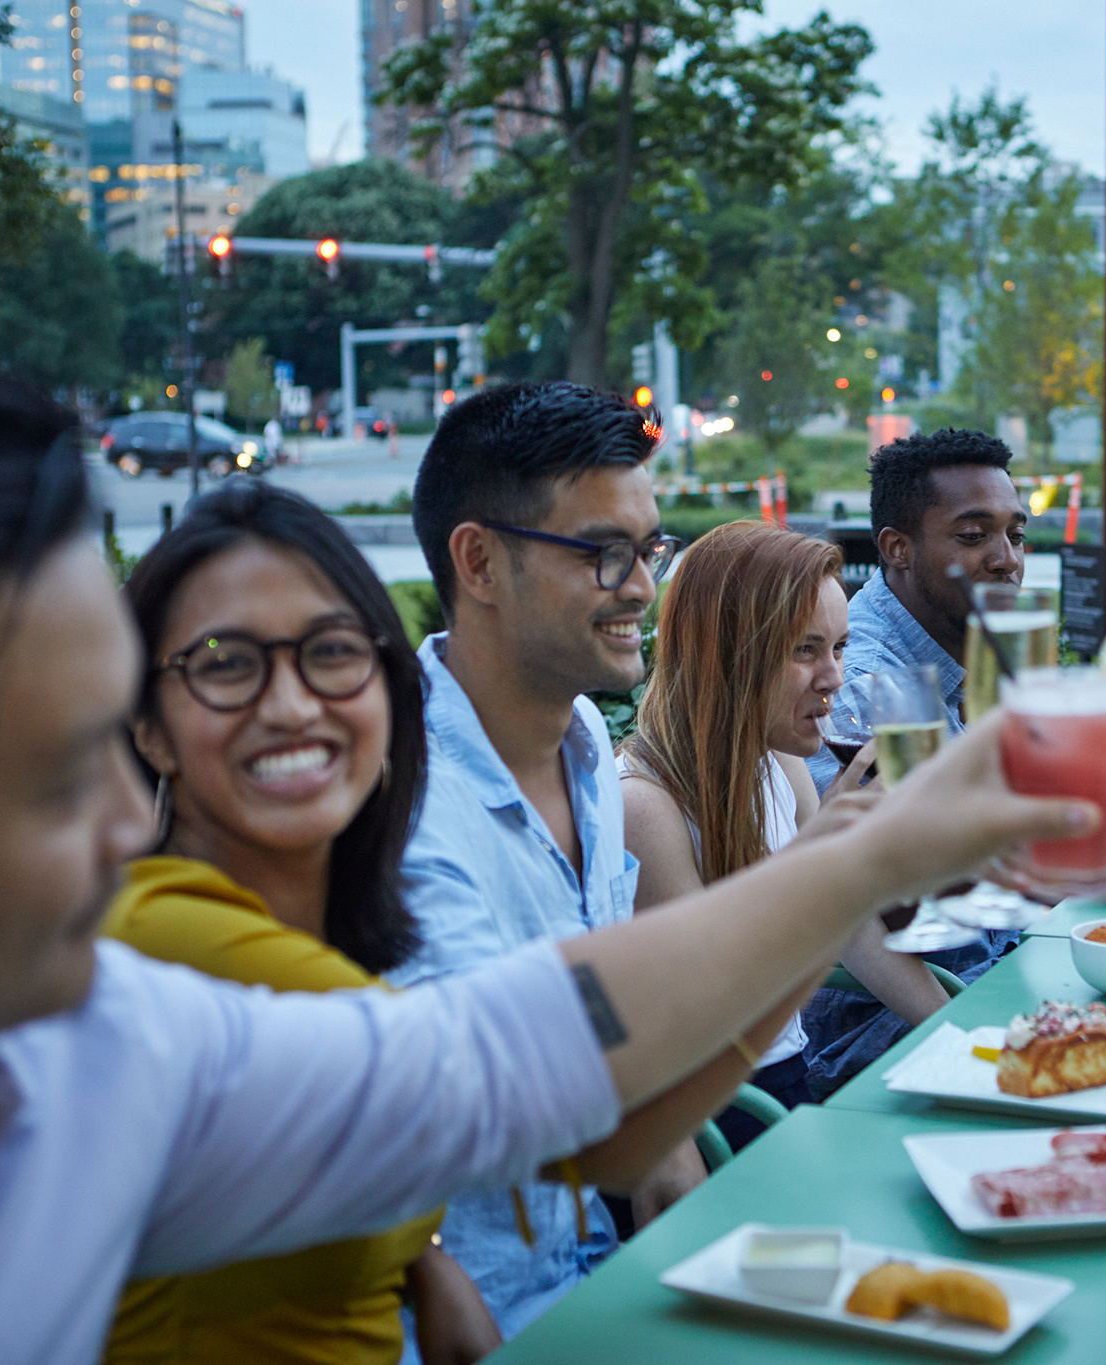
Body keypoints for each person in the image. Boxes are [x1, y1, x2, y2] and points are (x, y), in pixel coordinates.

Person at [0, 349, 1101, 1363]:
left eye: (338, 656)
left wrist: (848, 860)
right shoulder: (183, 944)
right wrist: (850, 867)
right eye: (65, 769)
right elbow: (497, 1076)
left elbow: (523, 1088)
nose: (125, 826)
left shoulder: (104, 1054)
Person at [96, 479, 496, 1364]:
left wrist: (421, 1261)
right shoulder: (157, 935)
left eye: (332, 650)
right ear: (149, 731)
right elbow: (543, 1082)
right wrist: (843, 867)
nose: (288, 705)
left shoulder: (330, 937)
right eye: (226, 663)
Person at [388, 382, 703, 1331]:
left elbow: (609, 1017)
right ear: (478, 560)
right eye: (605, 553)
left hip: (598, 1272)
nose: (643, 587)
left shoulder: (588, 759)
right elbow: (501, 1080)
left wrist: (666, 1139)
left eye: (649, 549)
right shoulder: (394, 794)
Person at [796, 428, 1106, 1098]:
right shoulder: (862, 678)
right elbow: (900, 879)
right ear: (897, 548)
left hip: (1010, 968)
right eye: (973, 534)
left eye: (1016, 534)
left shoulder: (983, 645)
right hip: (885, 1031)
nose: (1006, 558)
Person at [619, 521, 946, 1147]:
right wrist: (817, 854)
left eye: (841, 648)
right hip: (717, 1114)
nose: (835, 678)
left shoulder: (779, 761)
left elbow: (845, 928)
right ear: (726, 654)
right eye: (804, 650)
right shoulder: (644, 805)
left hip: (787, 1082)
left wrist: (961, 1035)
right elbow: (704, 1007)